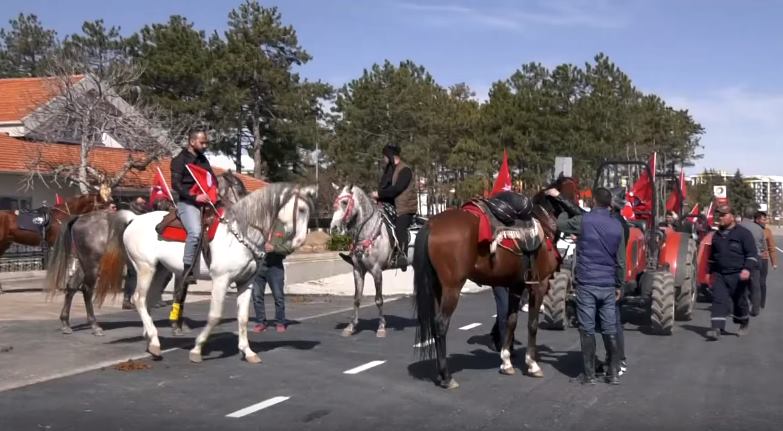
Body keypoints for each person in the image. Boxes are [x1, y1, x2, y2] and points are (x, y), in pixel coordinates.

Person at [573, 187, 624, 385]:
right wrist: (619, 284)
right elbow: (621, 260)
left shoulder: (584, 220)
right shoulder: (617, 226)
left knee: (587, 328)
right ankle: (612, 373)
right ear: (609, 202)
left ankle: (589, 374)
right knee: (609, 328)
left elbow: (560, 223)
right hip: (608, 284)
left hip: (587, 283)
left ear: (593, 200)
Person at [170, 130, 216, 284]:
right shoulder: (179, 160)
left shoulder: (203, 160)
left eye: (206, 143)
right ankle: (187, 269)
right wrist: (195, 197)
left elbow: (212, 179)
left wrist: (214, 192)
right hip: (188, 203)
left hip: (207, 202)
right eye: (202, 142)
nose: (205, 145)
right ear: (192, 142)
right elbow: (176, 185)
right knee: (195, 232)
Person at [707, 205, 758, 340]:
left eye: (724, 215)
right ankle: (716, 328)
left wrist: (747, 269)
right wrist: (709, 272)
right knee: (718, 299)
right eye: (719, 215)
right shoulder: (716, 235)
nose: (721, 217)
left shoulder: (743, 234)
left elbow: (752, 254)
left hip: (738, 274)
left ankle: (744, 323)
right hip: (720, 274)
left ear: (732, 217)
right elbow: (712, 256)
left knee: (739, 302)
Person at [252, 219, 295, 333]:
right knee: (256, 296)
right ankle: (261, 322)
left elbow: (290, 247)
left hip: (275, 266)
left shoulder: (283, 226)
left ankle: (280, 322)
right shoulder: (256, 225)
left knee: (278, 296)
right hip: (259, 265)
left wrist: (275, 248)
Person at [739, 207, 765, 316]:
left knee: (740, 284)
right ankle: (755, 309)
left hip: (741, 257)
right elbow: (763, 246)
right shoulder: (759, 228)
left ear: (743, 214)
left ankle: (739, 308)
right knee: (755, 285)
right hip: (756, 257)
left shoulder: (738, 227)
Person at [756, 211, 777, 310]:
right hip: (753, 258)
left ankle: (761, 302)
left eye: (766, 219)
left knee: (762, 282)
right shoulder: (752, 230)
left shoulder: (767, 231)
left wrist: (774, 263)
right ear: (757, 220)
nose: (765, 221)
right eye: (763, 219)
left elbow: (771, 247)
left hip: (763, 259)